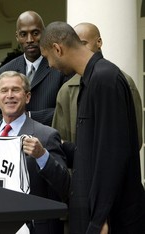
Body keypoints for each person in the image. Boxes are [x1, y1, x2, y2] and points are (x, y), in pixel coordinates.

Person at [40, 21, 145, 234]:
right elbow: (95, 151)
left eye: (47, 57)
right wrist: (65, 148)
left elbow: (113, 156)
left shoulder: (105, 79)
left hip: (110, 220)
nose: (49, 65)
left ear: (57, 49)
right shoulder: (91, 81)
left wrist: (100, 218)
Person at [0, 71, 70, 234]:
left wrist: (43, 156)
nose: (10, 95)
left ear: (27, 97)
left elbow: (65, 186)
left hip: (34, 228)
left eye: (16, 90)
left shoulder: (46, 136)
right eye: (4, 90)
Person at [52, 22, 143, 149]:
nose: (80, 50)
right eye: (76, 45)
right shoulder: (66, 91)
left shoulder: (124, 82)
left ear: (99, 42)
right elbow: (59, 143)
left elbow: (135, 138)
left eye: (83, 43)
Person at [0, 11, 68, 126]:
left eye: (35, 33)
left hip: (48, 140)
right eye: (23, 34)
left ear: (44, 33)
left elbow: (66, 111)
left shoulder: (61, 68)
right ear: (17, 37)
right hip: (15, 141)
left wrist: (29, 117)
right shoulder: (4, 72)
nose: (30, 39)